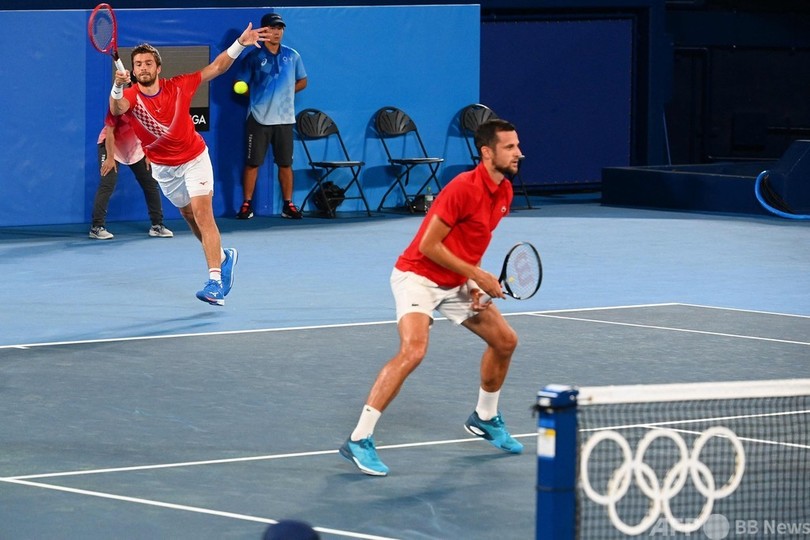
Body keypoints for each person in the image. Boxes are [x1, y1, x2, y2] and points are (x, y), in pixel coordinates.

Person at [339, 119, 524, 476]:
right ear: (487, 153)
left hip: (456, 280)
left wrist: (472, 286)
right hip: (418, 277)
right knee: (414, 350)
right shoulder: (462, 188)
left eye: (517, 145)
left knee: (505, 341)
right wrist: (478, 276)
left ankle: (485, 417)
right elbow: (428, 245)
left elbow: (473, 245)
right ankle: (359, 439)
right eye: (510, 147)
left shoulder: (504, 192)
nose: (519, 153)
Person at [109, 24, 269, 305]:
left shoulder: (179, 85)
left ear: (158, 68)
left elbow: (217, 68)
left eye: (148, 63)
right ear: (133, 70)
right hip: (164, 169)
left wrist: (240, 44)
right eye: (138, 64)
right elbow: (116, 108)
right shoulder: (130, 96)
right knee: (189, 216)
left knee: (203, 213)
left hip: (194, 159)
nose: (143, 68)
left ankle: (215, 282)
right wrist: (118, 86)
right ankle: (224, 257)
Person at [234, 12, 308, 220]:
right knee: (252, 163)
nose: (277, 32)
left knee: (285, 164)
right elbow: (239, 84)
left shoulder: (293, 56)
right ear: (264, 30)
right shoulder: (253, 57)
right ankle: (246, 205)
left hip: (285, 120)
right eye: (273, 28)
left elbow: (303, 81)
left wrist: (285, 92)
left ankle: (288, 205)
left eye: (280, 28)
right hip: (258, 119)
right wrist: (257, 95)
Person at [89, 111, 173, 240]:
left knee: (150, 183)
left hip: (134, 147)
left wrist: (149, 153)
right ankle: (96, 227)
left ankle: (157, 226)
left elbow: (150, 131)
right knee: (107, 183)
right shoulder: (117, 107)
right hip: (110, 146)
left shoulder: (146, 107)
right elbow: (110, 133)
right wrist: (110, 158)